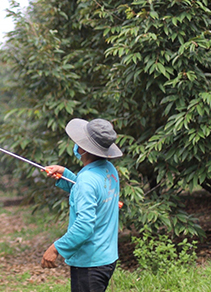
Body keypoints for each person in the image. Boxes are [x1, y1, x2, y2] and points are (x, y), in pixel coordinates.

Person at [41, 118, 122, 292]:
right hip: (106, 258)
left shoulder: (86, 180)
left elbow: (85, 225)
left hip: (89, 263)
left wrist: (56, 248)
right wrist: (65, 174)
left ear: (83, 149)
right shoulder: (109, 170)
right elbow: (93, 194)